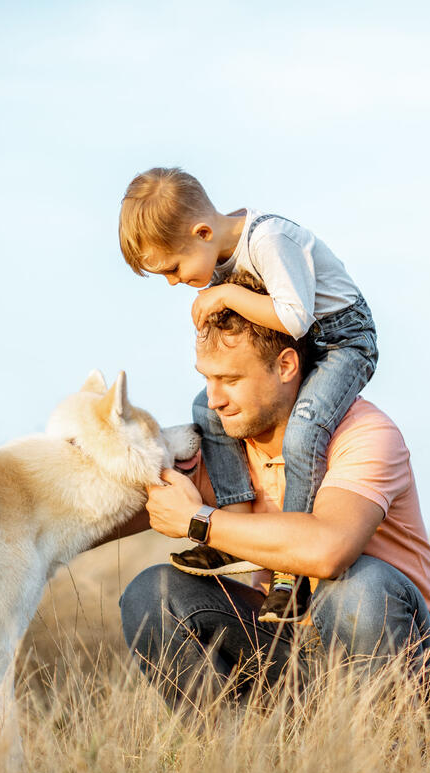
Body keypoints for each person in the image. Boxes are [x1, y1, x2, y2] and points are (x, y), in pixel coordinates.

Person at [118, 274, 430, 711]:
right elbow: (106, 510)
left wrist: (199, 521)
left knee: (356, 587)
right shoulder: (222, 444)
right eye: (207, 378)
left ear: (286, 366)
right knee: (153, 593)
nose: (213, 398)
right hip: (287, 643)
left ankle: (379, 764)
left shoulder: (365, 433)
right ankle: (233, 764)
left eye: (231, 379)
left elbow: (329, 550)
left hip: (407, 655)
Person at [119, 167, 378, 623]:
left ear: (202, 232)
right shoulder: (217, 254)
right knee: (205, 408)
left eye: (174, 269)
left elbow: (294, 319)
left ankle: (287, 577)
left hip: (343, 342)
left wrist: (228, 296)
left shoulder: (268, 241)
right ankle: (232, 525)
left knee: (304, 429)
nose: (174, 282)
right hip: (305, 344)